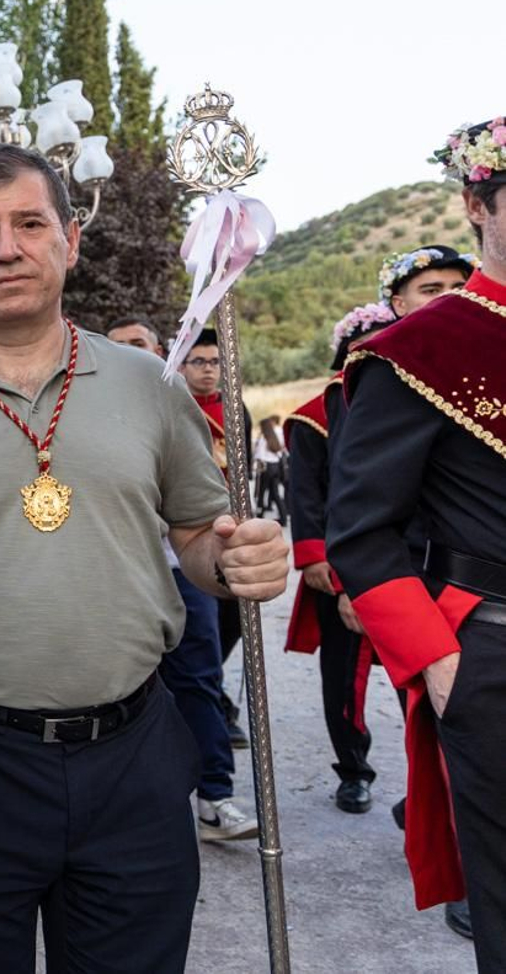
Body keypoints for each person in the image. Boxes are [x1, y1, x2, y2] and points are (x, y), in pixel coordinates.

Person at [0, 145, 288, 972]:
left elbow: (200, 536)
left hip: (134, 750)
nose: (8, 248)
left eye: (30, 223)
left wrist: (236, 560)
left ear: (71, 239)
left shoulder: (150, 384)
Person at [329, 116, 506, 968]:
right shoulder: (417, 352)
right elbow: (362, 532)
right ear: (479, 204)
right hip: (496, 656)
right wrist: (442, 664)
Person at [104, 319, 258, 845]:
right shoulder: (95, 411)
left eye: (139, 347)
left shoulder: (176, 404)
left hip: (180, 565)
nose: (129, 355)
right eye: (118, 346)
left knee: (198, 678)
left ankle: (214, 794)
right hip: (118, 571)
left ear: (159, 354)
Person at [283, 303, 397, 817]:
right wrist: (324, 565)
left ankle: (438, 789)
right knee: (344, 677)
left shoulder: (417, 403)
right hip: (341, 566)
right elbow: (305, 496)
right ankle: (353, 769)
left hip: (414, 564)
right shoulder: (315, 417)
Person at [179, 328, 254, 747]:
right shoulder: (175, 405)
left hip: (228, 518)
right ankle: (214, 702)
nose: (209, 371)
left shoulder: (233, 408)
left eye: (215, 362)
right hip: (190, 525)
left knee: (231, 619)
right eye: (199, 362)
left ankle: (216, 690)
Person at [378, 244, 475, 318]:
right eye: (432, 291)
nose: (449, 297)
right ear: (400, 305)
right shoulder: (384, 345)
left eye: (459, 289)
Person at [253, 416, 287, 523]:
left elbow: (259, 455)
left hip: (266, 467)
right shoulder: (274, 437)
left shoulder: (263, 438)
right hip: (276, 467)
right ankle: (283, 517)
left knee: (262, 492)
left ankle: (260, 515)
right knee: (275, 493)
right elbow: (280, 452)